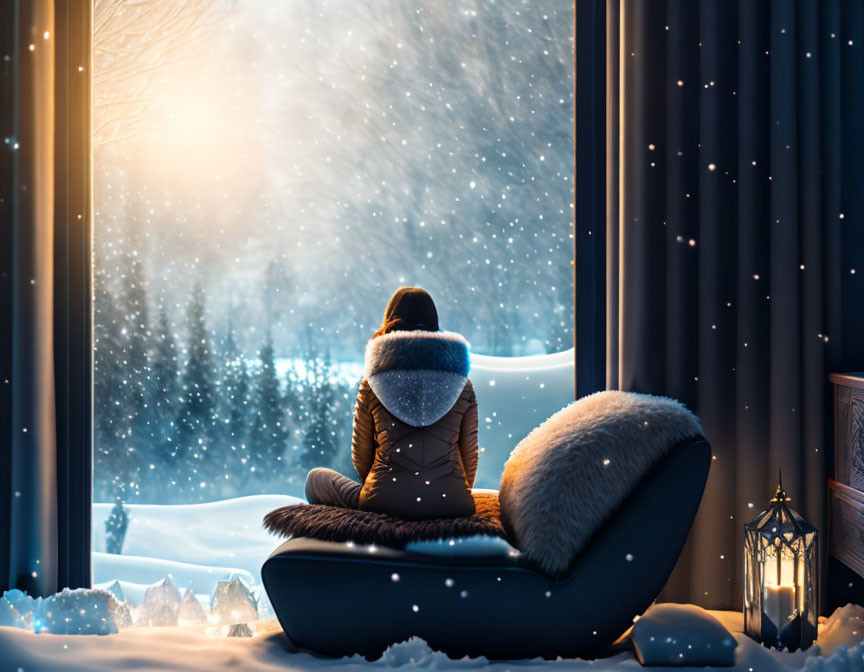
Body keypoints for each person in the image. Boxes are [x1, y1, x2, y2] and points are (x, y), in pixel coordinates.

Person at [304, 286, 479, 519]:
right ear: (434, 323)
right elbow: (470, 458)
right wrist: (447, 490)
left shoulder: (372, 382)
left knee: (316, 480)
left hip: (383, 502)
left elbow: (361, 457)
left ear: (391, 320)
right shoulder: (461, 384)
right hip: (452, 503)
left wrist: (386, 489)